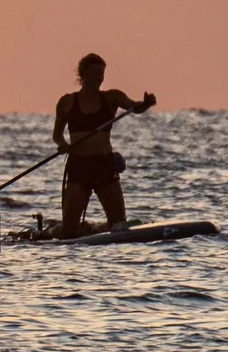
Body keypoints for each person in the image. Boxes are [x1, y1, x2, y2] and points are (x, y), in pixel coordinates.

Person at [53, 54, 155, 235]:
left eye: (102, 74)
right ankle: (50, 232)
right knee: (69, 231)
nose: (100, 78)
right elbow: (57, 135)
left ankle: (97, 229)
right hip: (79, 167)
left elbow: (134, 107)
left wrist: (146, 104)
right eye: (95, 73)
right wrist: (63, 145)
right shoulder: (67, 102)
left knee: (118, 225)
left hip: (104, 166)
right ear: (83, 73)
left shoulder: (111, 98)